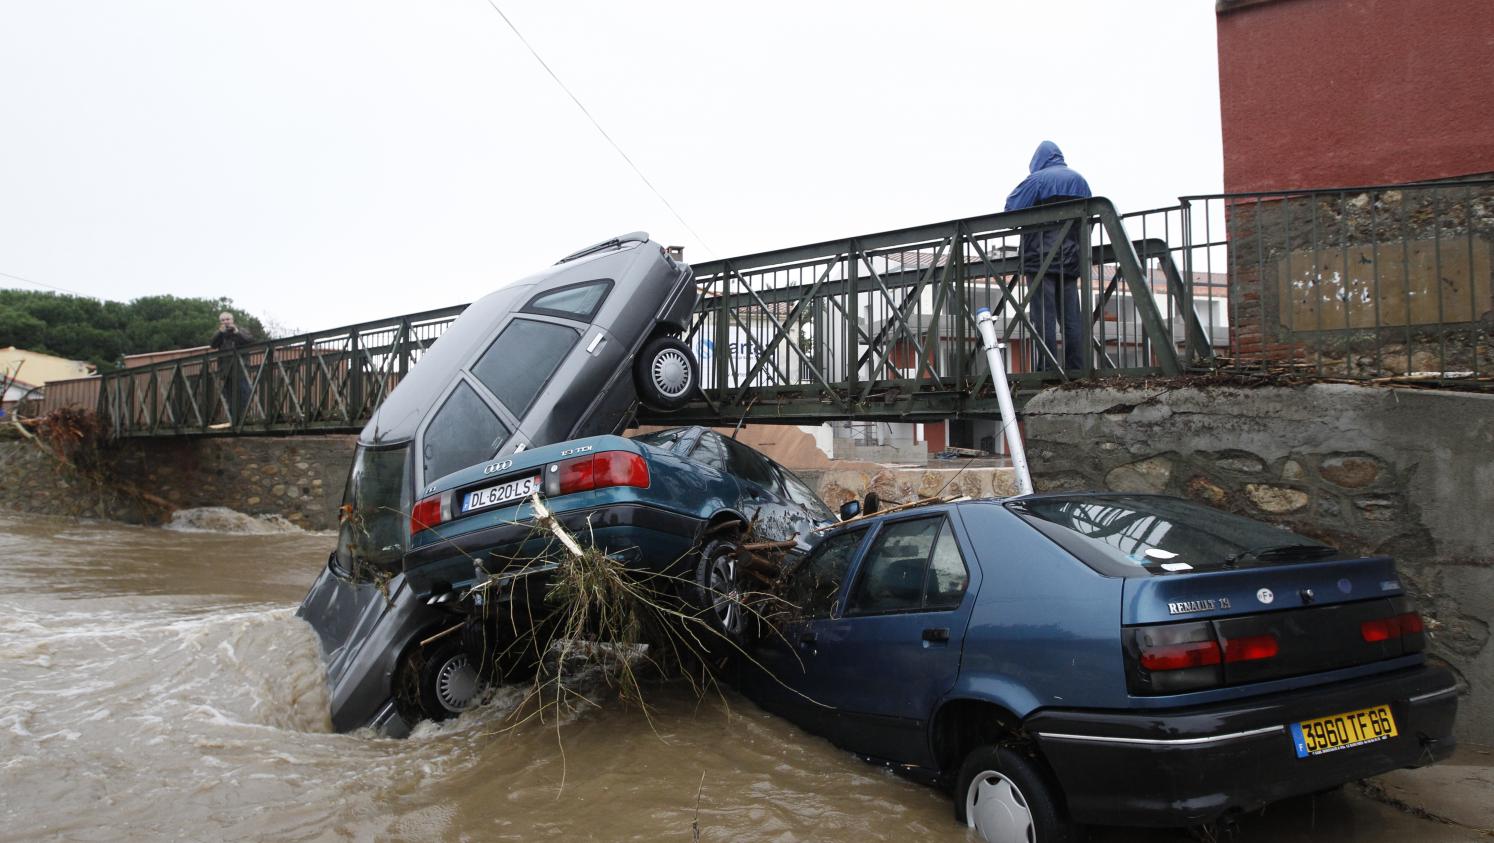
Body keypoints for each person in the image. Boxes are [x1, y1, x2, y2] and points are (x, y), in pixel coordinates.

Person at [1005, 140, 1092, 372]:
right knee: (1071, 319)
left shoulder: (1037, 180)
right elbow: (1089, 221)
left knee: (1043, 318)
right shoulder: (1080, 181)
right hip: (1071, 261)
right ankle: (1077, 368)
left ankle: (1048, 369)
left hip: (1040, 258)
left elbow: (1010, 212)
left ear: (1037, 161)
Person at [210, 312, 255, 423]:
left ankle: (243, 417)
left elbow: (249, 340)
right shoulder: (220, 334)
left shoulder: (241, 330)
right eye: (223, 320)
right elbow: (212, 344)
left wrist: (237, 332)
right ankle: (234, 420)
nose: (226, 322)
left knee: (244, 393)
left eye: (228, 319)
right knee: (229, 397)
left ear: (232, 320)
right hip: (225, 371)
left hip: (241, 369)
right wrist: (220, 333)